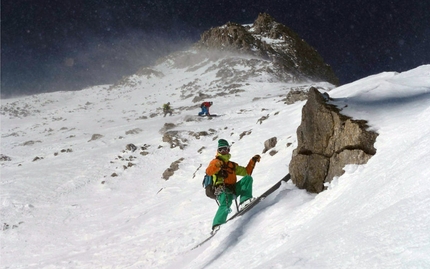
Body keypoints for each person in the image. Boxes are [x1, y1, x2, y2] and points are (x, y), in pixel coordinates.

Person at [205, 139, 261, 231]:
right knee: (226, 203)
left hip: (233, 188)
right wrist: (217, 166)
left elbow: (246, 172)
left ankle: (245, 201)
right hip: (221, 189)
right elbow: (209, 171)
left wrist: (252, 161)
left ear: (228, 150)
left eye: (225, 149)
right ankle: (217, 224)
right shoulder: (215, 162)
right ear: (218, 151)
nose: (223, 151)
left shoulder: (232, 165)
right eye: (220, 150)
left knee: (247, 178)